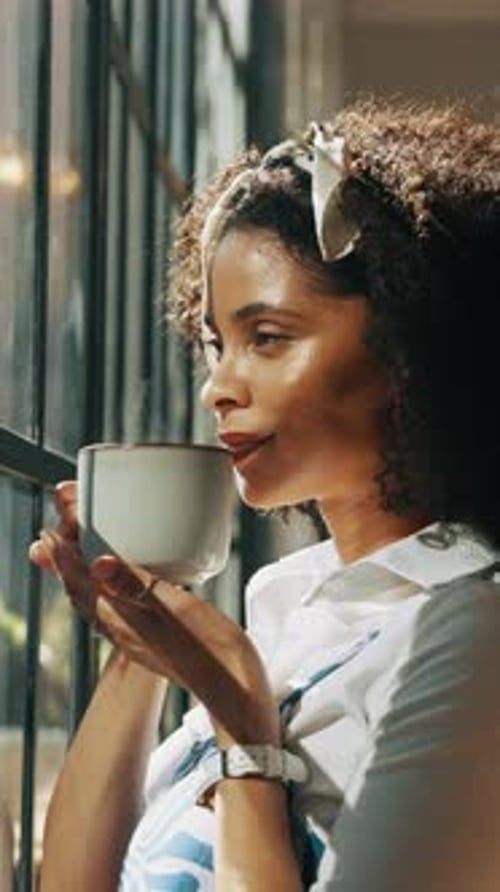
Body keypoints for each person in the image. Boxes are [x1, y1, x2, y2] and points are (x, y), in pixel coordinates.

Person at [30, 99, 500, 891]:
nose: (218, 387)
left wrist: (246, 730)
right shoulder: (290, 608)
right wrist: (142, 640)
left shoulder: (470, 633)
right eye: (216, 343)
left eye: (268, 338)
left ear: (410, 351)